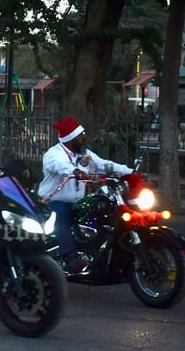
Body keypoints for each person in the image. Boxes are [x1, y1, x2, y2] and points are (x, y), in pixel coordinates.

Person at [37, 115, 133, 274]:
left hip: (78, 202)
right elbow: (60, 166)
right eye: (81, 135)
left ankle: (96, 252)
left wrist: (130, 172)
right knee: (61, 215)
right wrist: (75, 171)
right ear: (71, 138)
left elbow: (103, 164)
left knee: (101, 210)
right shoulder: (53, 154)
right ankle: (71, 258)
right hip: (54, 201)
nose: (84, 138)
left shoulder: (84, 154)